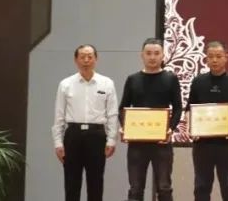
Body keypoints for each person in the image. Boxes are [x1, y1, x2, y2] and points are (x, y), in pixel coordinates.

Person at [119, 38, 183, 201]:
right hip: (137, 142)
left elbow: (178, 108)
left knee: (164, 187)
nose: (152, 57)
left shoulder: (170, 78)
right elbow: (122, 108)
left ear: (163, 55)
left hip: (162, 142)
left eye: (156, 53)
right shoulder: (133, 79)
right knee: (135, 188)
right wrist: (124, 126)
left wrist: (170, 129)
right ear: (142, 55)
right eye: (148, 53)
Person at [52, 44, 118, 201]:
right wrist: (58, 142)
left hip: (97, 135)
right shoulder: (66, 84)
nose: (86, 60)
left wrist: (111, 139)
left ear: (96, 59)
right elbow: (59, 115)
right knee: (71, 182)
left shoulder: (106, 83)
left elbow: (112, 114)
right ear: (76, 60)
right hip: (73, 135)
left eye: (90, 56)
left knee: (96, 182)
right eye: (82, 57)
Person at [187, 40, 228, 201]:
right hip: (202, 143)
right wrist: (190, 127)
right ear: (206, 59)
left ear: (226, 57)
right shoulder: (198, 81)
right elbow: (189, 109)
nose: (214, 60)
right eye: (211, 56)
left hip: (227, 143)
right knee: (201, 187)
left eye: (218, 56)